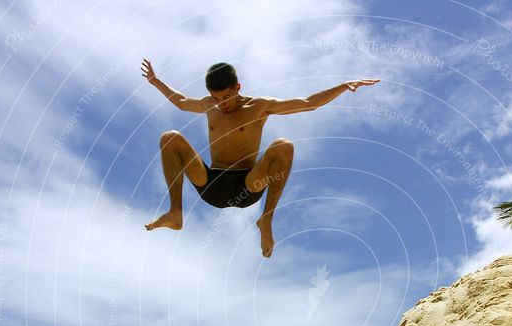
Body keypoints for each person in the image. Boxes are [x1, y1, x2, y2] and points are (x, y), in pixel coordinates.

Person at [141, 60, 379, 258]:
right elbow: (181, 102)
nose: (221, 104)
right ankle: (175, 213)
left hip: (247, 184)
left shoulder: (259, 106)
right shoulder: (209, 105)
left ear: (237, 87)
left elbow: (309, 104)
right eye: (216, 98)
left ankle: (266, 221)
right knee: (170, 138)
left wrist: (343, 86)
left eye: (226, 97)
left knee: (283, 147)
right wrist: (155, 81)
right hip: (212, 185)